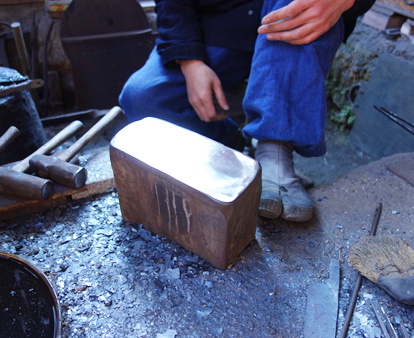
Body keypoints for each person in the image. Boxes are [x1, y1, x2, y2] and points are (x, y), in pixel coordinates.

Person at [119, 0, 375, 222]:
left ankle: (274, 153)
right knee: (141, 98)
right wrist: (189, 61)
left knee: (292, 11)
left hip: (292, 22)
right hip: (216, 27)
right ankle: (232, 147)